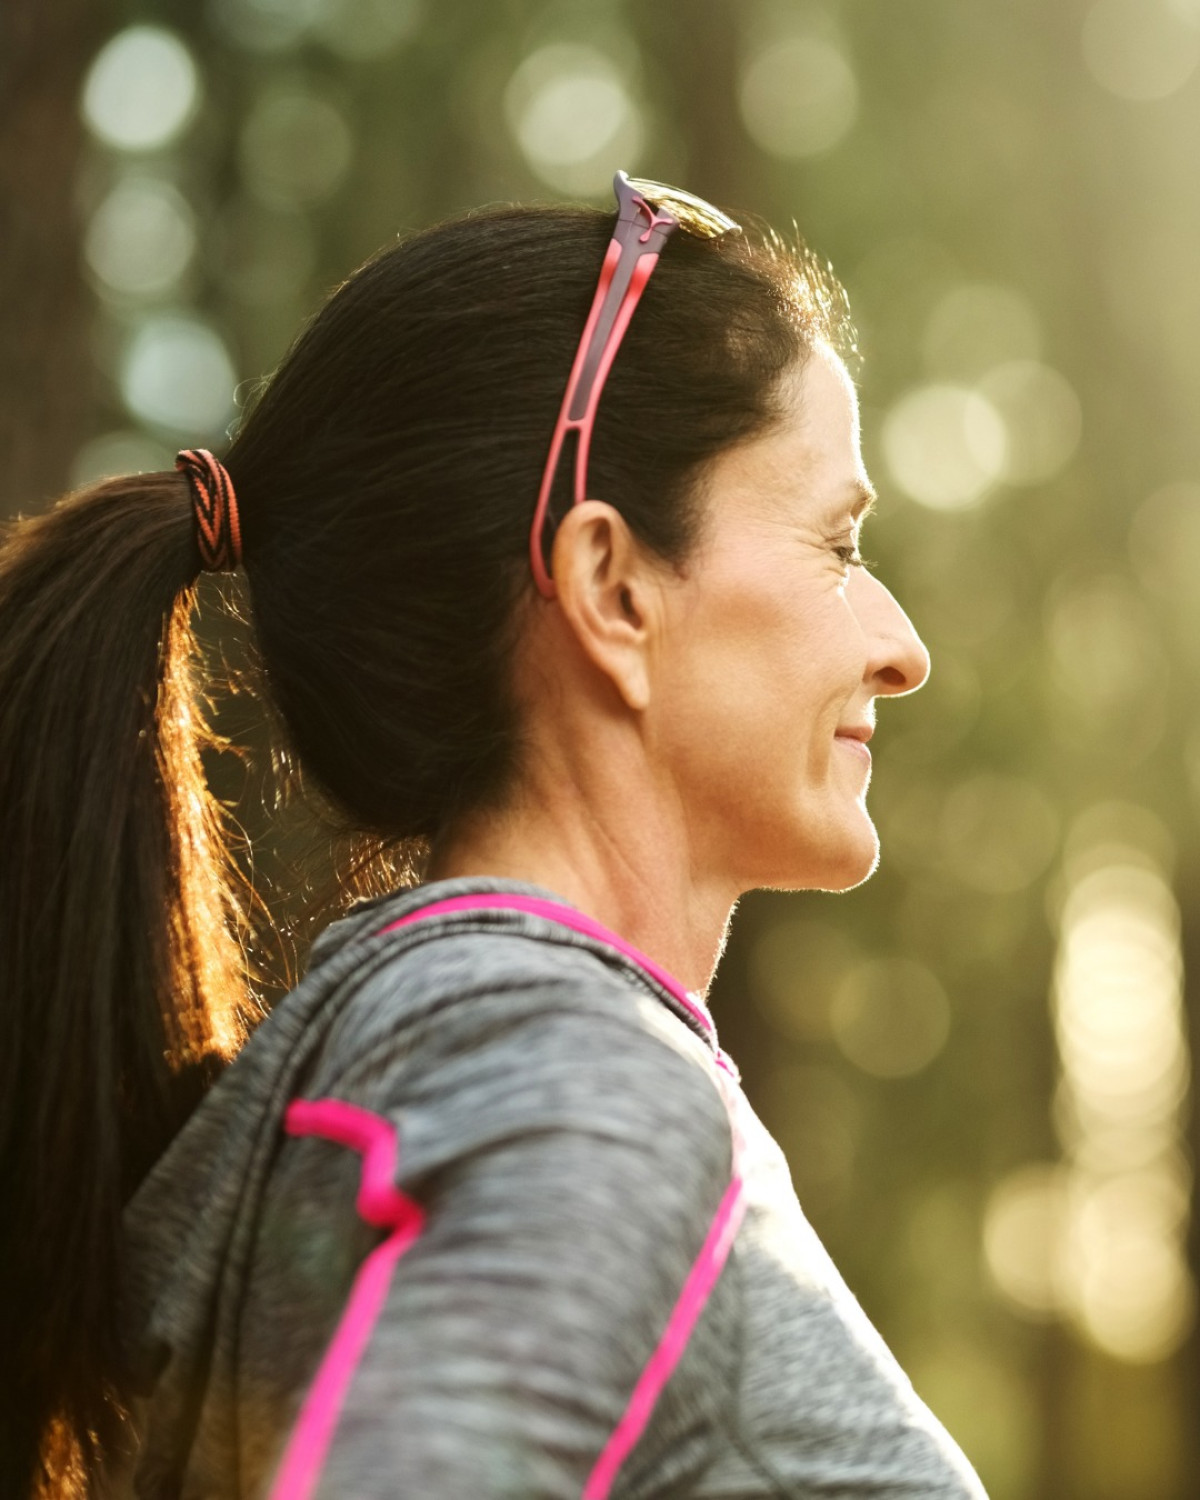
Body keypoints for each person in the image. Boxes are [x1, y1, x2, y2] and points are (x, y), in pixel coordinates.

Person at [0, 172, 987, 1499]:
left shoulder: (369, 1076)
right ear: (609, 587)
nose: (900, 648)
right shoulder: (584, 1085)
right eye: (837, 543)